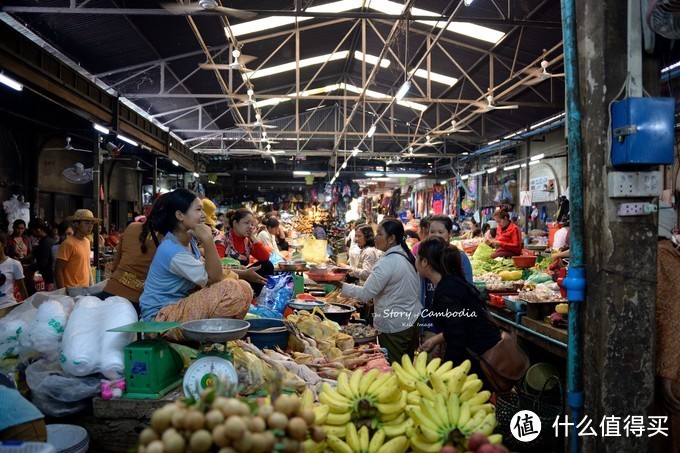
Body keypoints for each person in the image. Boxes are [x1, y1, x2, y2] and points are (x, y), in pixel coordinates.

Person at [139, 189, 252, 341]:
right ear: (180, 215)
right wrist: (207, 239)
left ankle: (211, 338)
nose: (204, 216)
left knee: (244, 288)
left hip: (177, 308)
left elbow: (211, 271)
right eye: (198, 210)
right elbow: (215, 277)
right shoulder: (172, 251)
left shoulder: (188, 241)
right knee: (231, 288)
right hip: (160, 318)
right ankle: (208, 339)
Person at [330, 218, 420, 363]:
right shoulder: (406, 256)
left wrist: (338, 284)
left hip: (394, 326)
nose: (375, 237)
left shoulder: (388, 262)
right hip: (410, 322)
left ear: (391, 238)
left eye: (379, 234)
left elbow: (365, 294)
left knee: (395, 370)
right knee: (406, 368)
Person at [416, 236, 501, 387]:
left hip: (478, 361)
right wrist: (435, 340)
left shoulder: (446, 292)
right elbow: (458, 325)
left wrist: (446, 376)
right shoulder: (452, 282)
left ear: (424, 262)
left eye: (417, 257)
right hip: (482, 352)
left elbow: (457, 339)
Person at [98, 201, 164, 314]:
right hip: (136, 301)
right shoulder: (169, 239)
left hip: (110, 292)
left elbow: (115, 264)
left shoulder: (131, 227)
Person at [652, 202, 680, 451]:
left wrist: (666, 374)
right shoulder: (667, 253)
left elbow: (670, 315)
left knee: (667, 434)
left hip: (672, 371)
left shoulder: (660, 257)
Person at [222, 208, 272, 296]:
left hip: (243, 277)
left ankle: (255, 296)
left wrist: (252, 237)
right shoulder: (221, 240)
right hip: (226, 280)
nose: (250, 226)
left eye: (252, 224)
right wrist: (245, 274)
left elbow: (265, 257)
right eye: (246, 223)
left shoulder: (246, 241)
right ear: (235, 223)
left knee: (267, 265)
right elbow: (218, 270)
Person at [55, 209, 99, 289]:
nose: (90, 226)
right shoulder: (68, 244)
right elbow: (58, 270)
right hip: (71, 290)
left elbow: (86, 266)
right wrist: (62, 293)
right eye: (86, 223)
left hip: (84, 289)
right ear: (76, 224)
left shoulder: (87, 242)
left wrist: (91, 285)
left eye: (91, 223)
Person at [27, 218, 57, 291]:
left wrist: (29, 268)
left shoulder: (45, 243)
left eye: (32, 231)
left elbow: (42, 263)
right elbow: (34, 254)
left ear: (38, 230)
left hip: (49, 277)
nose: (32, 234)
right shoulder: (48, 240)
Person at [0, 232, 28, 305]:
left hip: (8, 306)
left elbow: (22, 288)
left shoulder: (14, 264)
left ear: (4, 244)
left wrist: (28, 306)